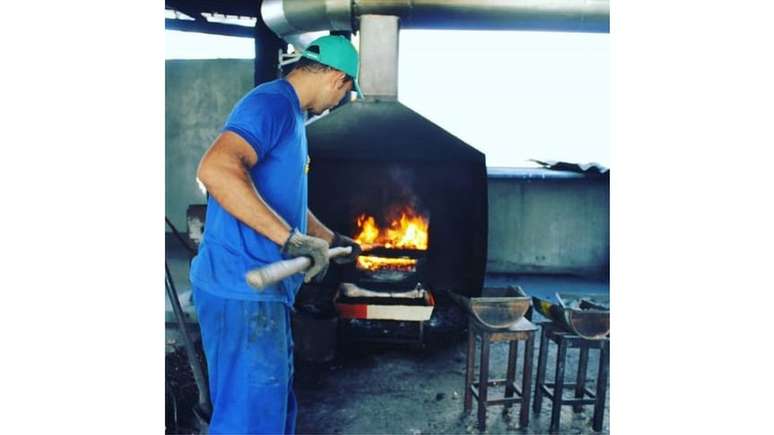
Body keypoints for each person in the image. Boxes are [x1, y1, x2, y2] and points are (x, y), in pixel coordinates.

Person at [189, 35, 363, 434]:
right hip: (242, 288)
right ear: (338, 79)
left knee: (271, 409)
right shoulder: (270, 104)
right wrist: (292, 241)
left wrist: (328, 238)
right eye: (345, 93)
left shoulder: (292, 114)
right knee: (250, 420)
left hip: (263, 293)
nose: (339, 101)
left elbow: (282, 199)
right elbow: (215, 170)